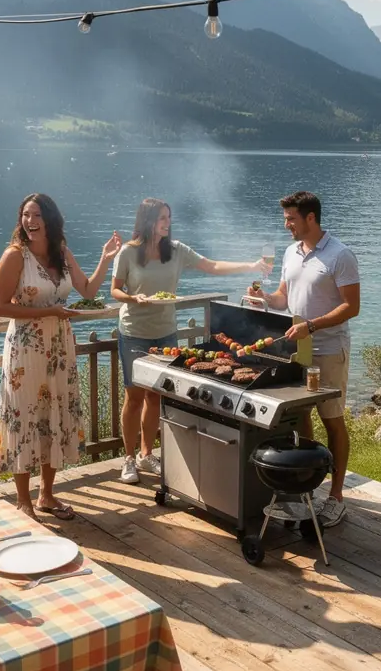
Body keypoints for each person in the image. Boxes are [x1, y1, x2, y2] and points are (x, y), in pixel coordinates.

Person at [112, 198, 267, 485]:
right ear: (147, 220)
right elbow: (115, 290)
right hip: (134, 330)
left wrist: (251, 265)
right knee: (134, 398)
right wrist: (134, 298)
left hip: (165, 331)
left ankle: (147, 454)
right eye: (161, 218)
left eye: (168, 217)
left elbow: (212, 265)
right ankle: (129, 458)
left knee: (155, 395)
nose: (167, 223)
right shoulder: (128, 253)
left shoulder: (176, 250)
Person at [0, 194, 121, 519]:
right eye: (25, 215)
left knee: (53, 415)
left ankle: (46, 495)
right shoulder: (14, 256)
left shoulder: (61, 252)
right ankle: (23, 499)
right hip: (25, 350)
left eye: (36, 215)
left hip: (60, 349)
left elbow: (88, 291)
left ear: (49, 219)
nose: (30, 221)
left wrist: (106, 259)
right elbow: (0, 307)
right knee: (24, 417)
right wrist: (49, 311)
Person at [247, 191, 360, 527]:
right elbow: (284, 298)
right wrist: (264, 298)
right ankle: (307, 484)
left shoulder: (340, 255)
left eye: (291, 219)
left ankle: (336, 496)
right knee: (300, 418)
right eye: (285, 219)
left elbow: (351, 307)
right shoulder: (290, 252)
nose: (287, 225)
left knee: (332, 418)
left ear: (311, 218)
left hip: (328, 349)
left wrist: (311, 325)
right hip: (300, 350)